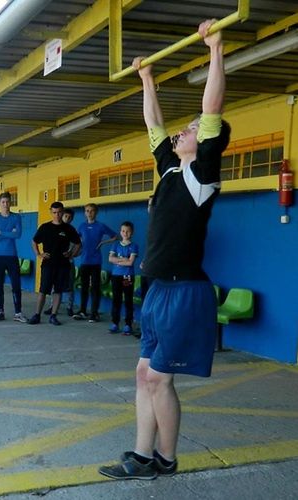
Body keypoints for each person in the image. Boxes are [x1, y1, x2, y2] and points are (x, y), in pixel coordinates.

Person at [99, 19, 231, 480]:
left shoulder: (201, 177)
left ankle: (167, 460)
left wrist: (215, 49)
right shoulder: (170, 171)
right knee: (143, 376)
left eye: (193, 128)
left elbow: (212, 108)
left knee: (159, 378)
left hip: (184, 292)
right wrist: (147, 79)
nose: (185, 130)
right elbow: (153, 124)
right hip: (157, 291)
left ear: (207, 140)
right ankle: (141, 455)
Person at [28, 201, 81, 326]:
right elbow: (34, 241)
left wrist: (71, 254)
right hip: (48, 265)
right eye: (54, 212)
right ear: (51, 212)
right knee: (43, 290)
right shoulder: (45, 227)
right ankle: (37, 315)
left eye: (59, 212)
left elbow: (78, 244)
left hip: (63, 265)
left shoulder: (69, 229)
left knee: (58, 291)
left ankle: (53, 315)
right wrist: (39, 254)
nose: (57, 215)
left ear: (62, 212)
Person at [72, 203, 117, 322]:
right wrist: (75, 252)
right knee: (84, 287)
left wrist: (103, 243)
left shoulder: (100, 226)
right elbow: (76, 241)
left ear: (96, 212)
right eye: (87, 211)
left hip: (96, 261)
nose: (89, 213)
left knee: (95, 288)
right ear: (84, 213)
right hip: (84, 261)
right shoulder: (81, 226)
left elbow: (115, 236)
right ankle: (82, 311)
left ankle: (94, 313)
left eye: (92, 211)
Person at [0, 192, 28, 323]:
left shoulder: (16, 217)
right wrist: (9, 232)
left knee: (16, 285)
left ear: (10, 203)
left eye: (7, 202)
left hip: (12, 255)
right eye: (3, 202)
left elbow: (18, 234)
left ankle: (18, 313)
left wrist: (2, 232)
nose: (5, 205)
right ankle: (0, 311)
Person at [44, 207, 77, 316]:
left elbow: (79, 247)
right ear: (62, 215)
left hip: (69, 263)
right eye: (65, 216)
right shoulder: (56, 228)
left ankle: (69, 307)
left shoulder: (72, 231)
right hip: (55, 263)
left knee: (70, 285)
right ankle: (52, 306)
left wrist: (71, 254)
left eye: (70, 217)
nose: (67, 218)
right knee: (55, 286)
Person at [107, 221, 138, 335]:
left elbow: (130, 263)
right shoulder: (115, 245)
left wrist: (118, 260)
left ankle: (128, 324)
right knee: (116, 300)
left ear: (132, 232)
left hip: (127, 276)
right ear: (120, 232)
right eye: (123, 231)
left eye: (128, 231)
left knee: (128, 300)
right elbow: (110, 259)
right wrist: (124, 259)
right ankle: (115, 323)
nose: (125, 233)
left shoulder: (134, 246)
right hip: (116, 276)